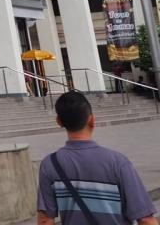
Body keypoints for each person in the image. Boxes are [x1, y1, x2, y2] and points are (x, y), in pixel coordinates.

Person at [37, 91, 157, 225]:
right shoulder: (118, 162)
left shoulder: (50, 164)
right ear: (92, 120)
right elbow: (146, 219)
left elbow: (45, 220)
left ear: (59, 121)